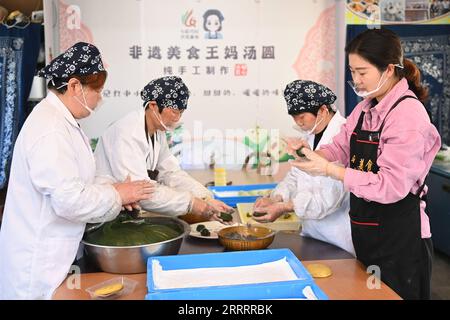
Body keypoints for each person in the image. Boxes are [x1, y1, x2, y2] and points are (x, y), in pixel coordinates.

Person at [291, 29, 441, 300]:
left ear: (389, 69)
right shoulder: (365, 108)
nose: (356, 80)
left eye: (362, 72)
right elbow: (340, 145)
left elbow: (391, 186)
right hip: (367, 236)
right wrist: (313, 155)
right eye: (352, 72)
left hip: (401, 243)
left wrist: (330, 170)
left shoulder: (408, 116)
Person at [0, 42, 155, 299]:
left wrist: (115, 190)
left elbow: (77, 182)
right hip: (37, 268)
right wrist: (117, 196)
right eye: (98, 90)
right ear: (74, 86)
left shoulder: (62, 121)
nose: (100, 99)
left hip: (57, 258)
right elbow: (69, 200)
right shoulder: (50, 128)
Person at [94, 76, 233, 222]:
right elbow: (141, 192)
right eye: (174, 111)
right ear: (153, 106)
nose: (177, 118)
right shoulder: (127, 133)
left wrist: (204, 198)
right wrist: (192, 203)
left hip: (126, 211)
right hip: (105, 214)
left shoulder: (157, 131)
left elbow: (170, 173)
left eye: (181, 112)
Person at [252, 80, 354, 255]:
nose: (298, 123)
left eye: (302, 117)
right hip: (311, 233)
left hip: (337, 238)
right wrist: (275, 198)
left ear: (322, 110)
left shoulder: (342, 137)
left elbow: (328, 200)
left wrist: (285, 207)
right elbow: (295, 175)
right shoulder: (312, 134)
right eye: (294, 117)